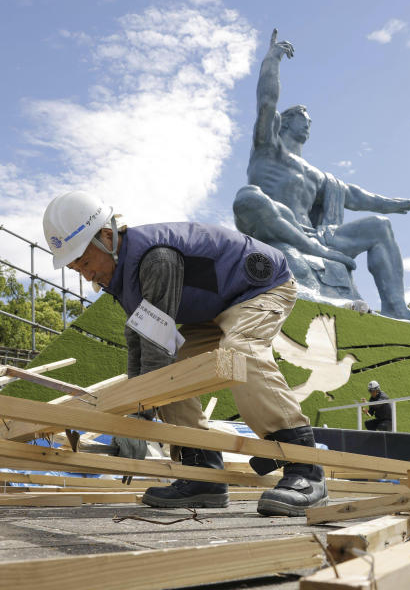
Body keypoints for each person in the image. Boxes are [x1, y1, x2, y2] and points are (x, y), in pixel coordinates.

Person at [42, 191, 327, 517]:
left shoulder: (155, 259)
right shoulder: (120, 277)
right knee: (174, 370)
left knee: (239, 351)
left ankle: (306, 470)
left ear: (107, 237)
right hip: (212, 310)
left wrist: (141, 415)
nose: (87, 275)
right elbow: (141, 339)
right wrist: (135, 414)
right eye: (78, 268)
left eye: (87, 262)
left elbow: (157, 347)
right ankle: (202, 474)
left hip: (258, 289)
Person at [232, 29, 410, 329]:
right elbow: (266, 102)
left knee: (380, 227)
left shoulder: (317, 175)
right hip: (275, 227)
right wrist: (271, 60)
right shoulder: (268, 148)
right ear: (286, 122)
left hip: (319, 237)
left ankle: (396, 308)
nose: (310, 122)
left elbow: (355, 196)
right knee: (249, 196)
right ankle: (310, 260)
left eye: (311, 120)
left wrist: (390, 205)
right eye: (304, 117)